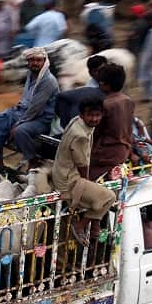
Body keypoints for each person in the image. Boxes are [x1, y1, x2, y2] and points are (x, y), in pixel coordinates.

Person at [52, 97, 116, 247]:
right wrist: (87, 184)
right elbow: (82, 165)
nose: (94, 119)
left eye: (97, 115)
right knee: (109, 197)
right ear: (82, 115)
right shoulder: (80, 135)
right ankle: (81, 225)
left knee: (97, 192)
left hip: (62, 170)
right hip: (68, 180)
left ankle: (95, 224)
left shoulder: (77, 122)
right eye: (90, 115)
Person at [0, 47, 59, 171]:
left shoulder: (48, 81)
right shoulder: (31, 74)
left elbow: (36, 108)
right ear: (28, 62)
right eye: (32, 60)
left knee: (20, 131)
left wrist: (18, 123)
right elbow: (26, 100)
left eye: (38, 60)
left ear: (44, 62)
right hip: (22, 112)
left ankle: (33, 160)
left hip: (41, 118)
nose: (35, 63)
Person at [88, 64, 134, 181]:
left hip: (106, 154)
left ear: (105, 84)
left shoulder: (105, 104)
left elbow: (95, 132)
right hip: (124, 151)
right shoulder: (128, 101)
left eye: (101, 82)